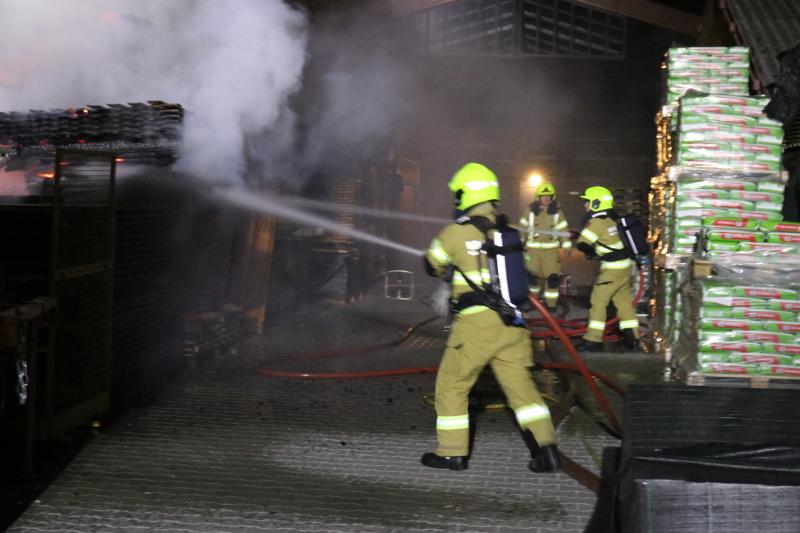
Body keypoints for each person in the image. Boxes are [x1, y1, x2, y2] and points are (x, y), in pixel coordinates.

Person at [421, 162, 560, 473]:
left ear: (463, 195)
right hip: (512, 325)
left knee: (452, 385)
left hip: (476, 326)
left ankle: (452, 453)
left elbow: (432, 264)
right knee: (522, 390)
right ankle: (547, 451)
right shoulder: (509, 232)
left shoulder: (454, 233)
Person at [574, 186, 641, 352]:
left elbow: (583, 243)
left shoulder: (596, 222)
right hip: (625, 268)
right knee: (623, 303)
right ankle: (632, 339)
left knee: (598, 301)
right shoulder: (613, 219)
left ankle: (592, 340)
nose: (585, 205)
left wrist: (589, 250)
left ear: (596, 203)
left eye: (587, 202)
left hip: (612, 270)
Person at [518, 183, 571, 312]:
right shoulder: (529, 211)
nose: (546, 198)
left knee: (552, 279)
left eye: (549, 196)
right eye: (543, 196)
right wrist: (519, 244)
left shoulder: (557, 212)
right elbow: (522, 228)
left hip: (550, 251)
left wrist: (567, 246)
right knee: (532, 279)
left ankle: (551, 304)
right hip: (533, 251)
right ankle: (533, 302)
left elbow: (563, 229)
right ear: (538, 197)